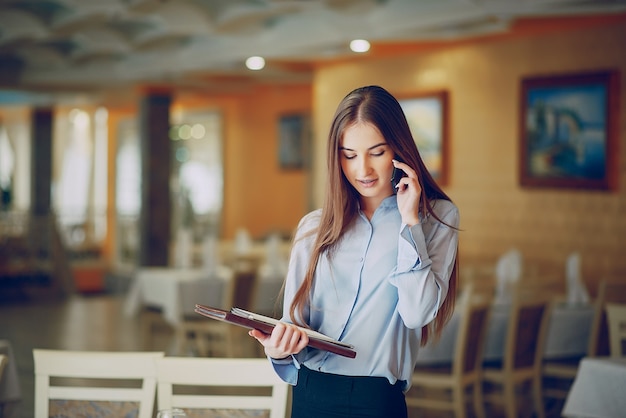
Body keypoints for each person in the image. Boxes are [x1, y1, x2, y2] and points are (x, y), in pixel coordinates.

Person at [249, 85, 459, 418]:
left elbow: (417, 314)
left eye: (376, 152)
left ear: (399, 148)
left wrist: (410, 221)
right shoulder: (312, 228)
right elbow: (294, 325)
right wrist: (277, 349)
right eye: (349, 155)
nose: (363, 170)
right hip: (309, 393)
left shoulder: (436, 217)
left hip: (375, 400)